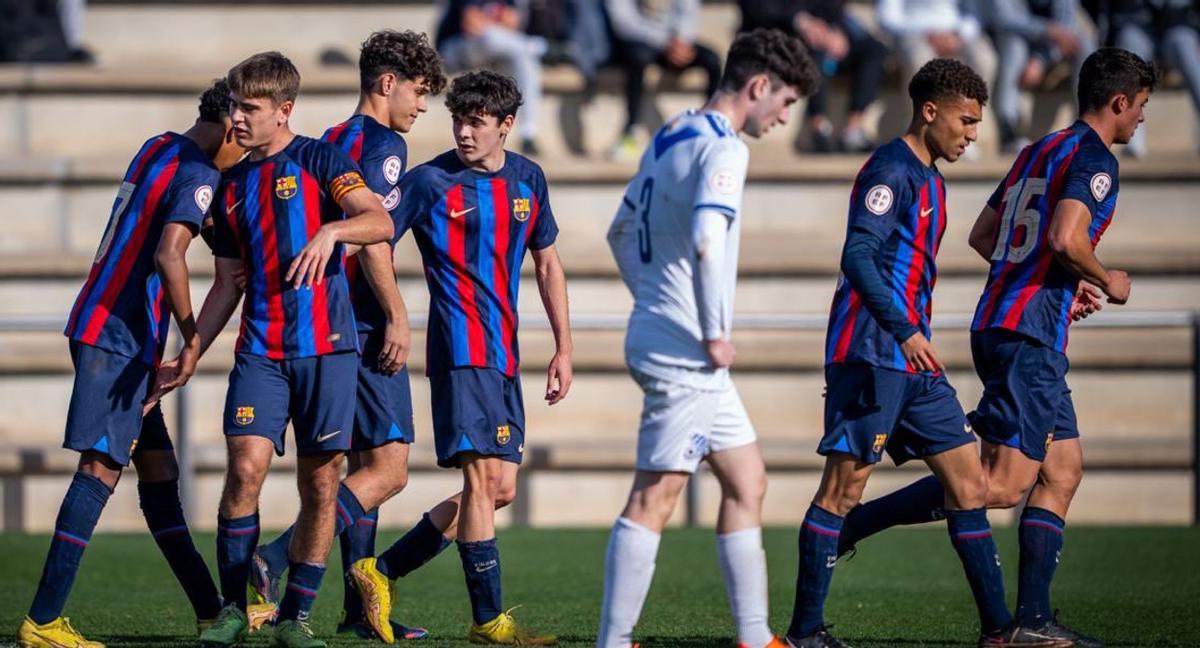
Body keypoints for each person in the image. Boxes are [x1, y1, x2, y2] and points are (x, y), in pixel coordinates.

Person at [834, 47, 1157, 648]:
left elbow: (986, 236)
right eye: (1140, 106)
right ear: (1119, 102)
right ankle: (859, 522)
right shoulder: (1096, 161)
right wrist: (1104, 278)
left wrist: (1062, 278)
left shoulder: (1040, 149)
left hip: (1006, 322)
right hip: (1029, 334)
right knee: (1001, 485)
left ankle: (1033, 620)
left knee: (1062, 470)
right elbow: (1064, 235)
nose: (1141, 118)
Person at [784, 58, 1061, 648]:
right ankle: (805, 632)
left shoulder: (933, 179)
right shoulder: (891, 169)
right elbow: (858, 256)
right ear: (929, 111)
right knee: (842, 490)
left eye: (978, 123)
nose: (972, 134)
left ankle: (998, 632)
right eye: (965, 120)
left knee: (968, 481)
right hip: (870, 354)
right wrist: (905, 329)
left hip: (912, 363)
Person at [597, 28, 818, 648]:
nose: (783, 117)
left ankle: (754, 636)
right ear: (758, 86)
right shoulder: (725, 149)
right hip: (689, 348)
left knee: (747, 480)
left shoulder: (671, 132)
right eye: (786, 102)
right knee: (656, 496)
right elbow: (705, 239)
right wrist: (713, 332)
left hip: (670, 334)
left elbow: (619, 232)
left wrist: (654, 305)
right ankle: (612, 643)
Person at [16, 78, 248, 648]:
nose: (242, 150)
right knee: (100, 469)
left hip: (109, 327)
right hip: (118, 336)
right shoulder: (199, 173)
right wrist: (192, 337)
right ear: (224, 127)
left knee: (160, 475)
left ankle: (209, 610)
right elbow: (170, 252)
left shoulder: (157, 144)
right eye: (239, 139)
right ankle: (42, 622)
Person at [346, 70, 573, 646]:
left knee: (501, 489)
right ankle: (488, 619)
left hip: (503, 356)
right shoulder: (429, 182)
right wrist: (393, 315)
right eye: (458, 120)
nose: (465, 133)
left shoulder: (529, 179)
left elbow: (548, 264)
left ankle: (382, 570)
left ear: (506, 125)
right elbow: (374, 239)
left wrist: (564, 347)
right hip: (459, 349)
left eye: (476, 122)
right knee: (480, 482)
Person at [186, 51, 395, 648]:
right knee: (244, 470)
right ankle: (231, 608)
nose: (238, 119)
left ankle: (294, 617)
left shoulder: (322, 159)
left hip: (328, 351)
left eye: (250, 108)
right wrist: (193, 350)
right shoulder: (230, 187)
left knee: (322, 484)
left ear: (285, 110)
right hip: (261, 351)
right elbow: (227, 281)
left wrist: (332, 230)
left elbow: (376, 221)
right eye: (233, 106)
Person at [242, 30, 446, 642]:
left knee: (358, 466)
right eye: (419, 91)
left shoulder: (329, 139)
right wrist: (397, 315)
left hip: (324, 323)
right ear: (387, 83)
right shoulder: (382, 145)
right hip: (358, 323)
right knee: (390, 468)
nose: (423, 106)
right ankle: (275, 557)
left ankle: (359, 613)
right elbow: (372, 237)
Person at [739, 0, 889, 153]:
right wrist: (799, 21)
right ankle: (818, 128)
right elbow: (757, 9)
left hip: (823, 33)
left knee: (875, 50)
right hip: (779, 35)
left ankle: (853, 130)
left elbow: (832, 8)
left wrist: (835, 32)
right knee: (814, 51)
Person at [605, 0, 723, 161]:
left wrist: (682, 41)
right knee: (637, 60)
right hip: (639, 40)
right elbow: (623, 22)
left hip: (676, 42)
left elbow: (688, 10)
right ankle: (629, 131)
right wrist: (665, 43)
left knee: (712, 60)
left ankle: (713, 129)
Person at [436, 0, 546, 156]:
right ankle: (537, 47)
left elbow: (513, 24)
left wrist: (500, 22)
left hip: (496, 52)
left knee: (526, 62)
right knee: (491, 36)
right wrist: (498, 22)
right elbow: (472, 25)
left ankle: (528, 132)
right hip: (455, 49)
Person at [987, 0, 1096, 152]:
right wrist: (1046, 29)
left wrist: (1040, 60)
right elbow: (1004, 19)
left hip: (1049, 44)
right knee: (1014, 47)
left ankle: (1086, 128)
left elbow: (1065, 23)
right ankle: (1009, 129)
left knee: (1084, 44)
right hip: (1013, 35)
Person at [1104, 0, 1199, 157]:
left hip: (1179, 25)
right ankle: (1131, 135)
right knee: (1129, 49)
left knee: (1187, 50)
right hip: (1137, 23)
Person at [877, 0, 998, 96]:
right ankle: (920, 124)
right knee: (920, 62)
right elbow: (887, 17)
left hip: (956, 32)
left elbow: (974, 15)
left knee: (984, 60)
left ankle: (969, 121)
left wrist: (960, 35)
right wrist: (928, 32)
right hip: (914, 32)